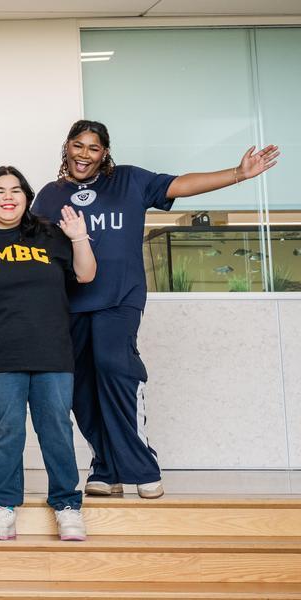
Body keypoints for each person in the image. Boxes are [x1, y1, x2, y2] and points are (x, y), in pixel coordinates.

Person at [31, 120, 280, 500]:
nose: (84, 154)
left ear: (104, 153)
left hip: (120, 297)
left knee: (115, 368)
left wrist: (238, 174)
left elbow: (181, 184)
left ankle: (141, 466)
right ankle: (105, 468)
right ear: (67, 147)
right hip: (70, 304)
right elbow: (36, 248)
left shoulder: (128, 181)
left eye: (93, 148)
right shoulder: (50, 195)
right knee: (81, 387)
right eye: (78, 145)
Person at [0, 166, 96, 541]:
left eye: (15, 190)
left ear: (26, 197)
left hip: (52, 350)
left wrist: (79, 238)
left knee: (56, 428)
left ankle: (67, 506)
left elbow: (86, 275)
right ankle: (4, 506)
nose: (7, 197)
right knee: (6, 430)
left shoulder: (50, 235)